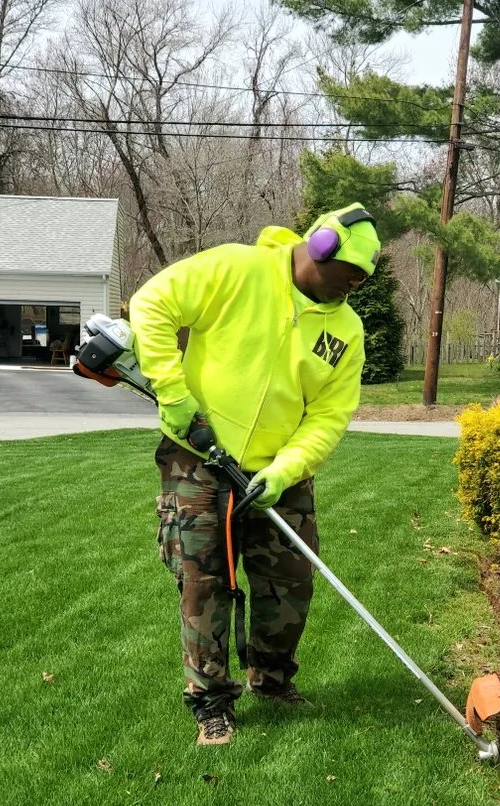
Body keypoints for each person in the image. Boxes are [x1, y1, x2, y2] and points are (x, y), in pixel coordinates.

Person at [129, 203, 381, 746]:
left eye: (362, 281)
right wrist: (173, 395)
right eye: (347, 276)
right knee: (205, 582)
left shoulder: (346, 329)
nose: (351, 289)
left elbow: (329, 415)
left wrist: (286, 469)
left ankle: (271, 681)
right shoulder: (235, 270)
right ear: (318, 250)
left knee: (290, 580)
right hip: (196, 459)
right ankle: (210, 704)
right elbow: (151, 304)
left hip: (279, 472)